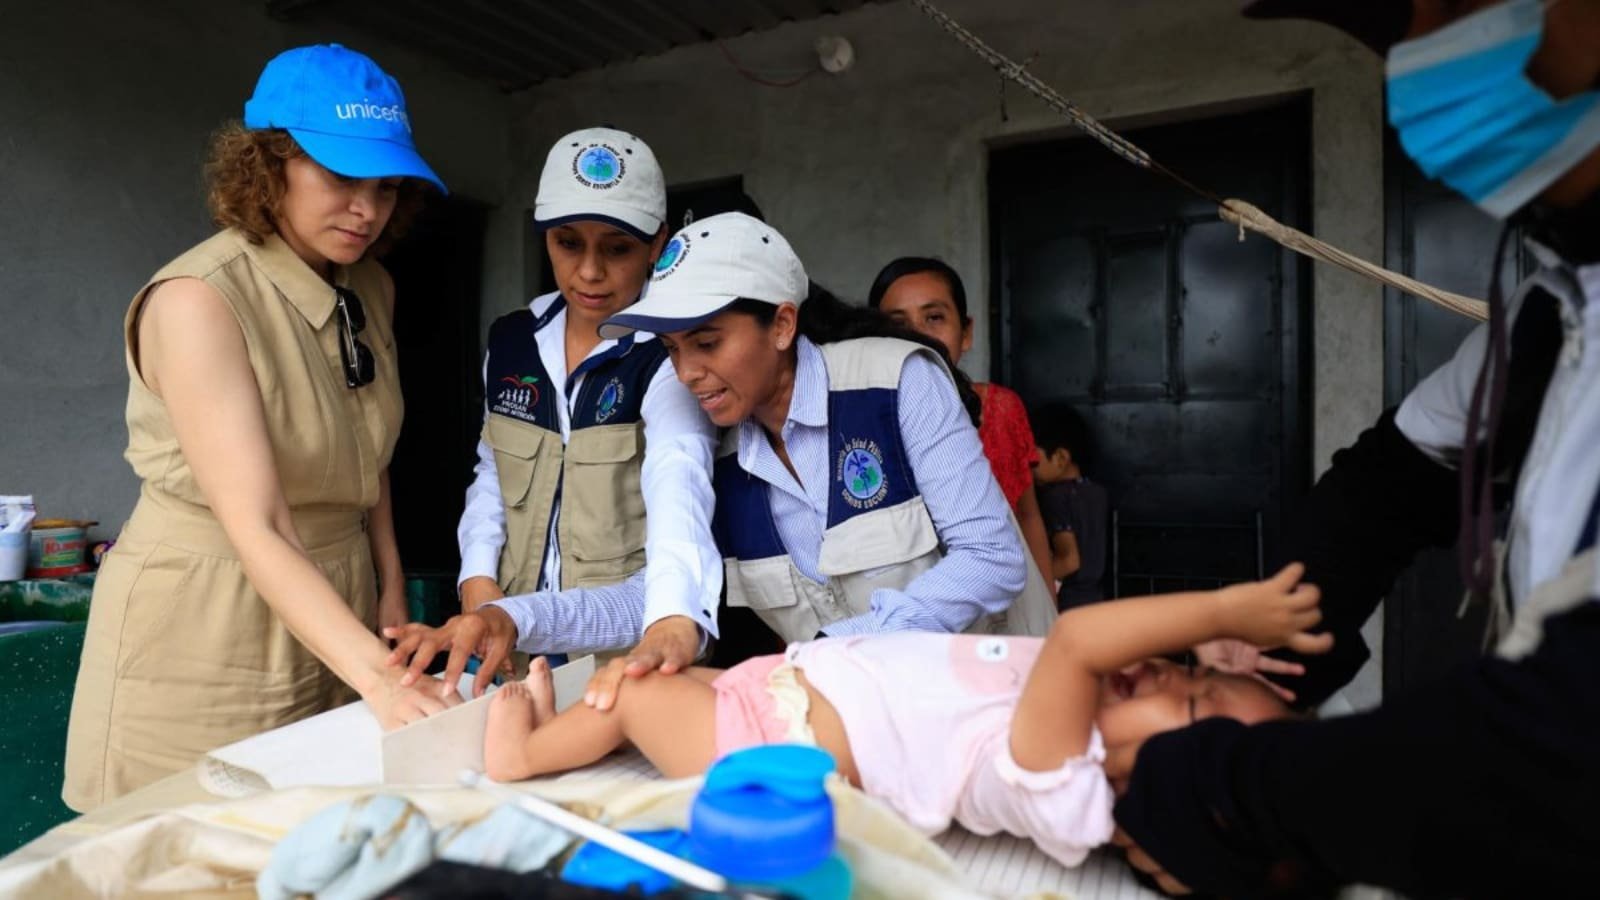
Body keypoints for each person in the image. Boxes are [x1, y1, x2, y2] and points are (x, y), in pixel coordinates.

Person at [1112, 1, 1600, 896]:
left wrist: (1228, 787)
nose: (1417, 45)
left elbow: (1570, 744)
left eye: (1451, 7)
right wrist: (1274, 646)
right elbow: (1385, 489)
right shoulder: (1547, 318)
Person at [63, 45, 457, 811]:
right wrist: (378, 680)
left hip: (335, 599)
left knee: (312, 843)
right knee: (190, 844)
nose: (367, 210)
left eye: (384, 186)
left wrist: (389, 586)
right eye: (341, 178)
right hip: (209, 614)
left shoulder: (370, 287)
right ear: (267, 164)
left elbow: (365, 451)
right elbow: (260, 520)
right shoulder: (198, 300)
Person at [481, 564, 1326, 869]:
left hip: (782, 750)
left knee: (635, 693)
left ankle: (523, 754)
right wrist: (1211, 664)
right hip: (787, 687)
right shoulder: (1100, 714)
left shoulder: (1055, 778)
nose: (1166, 668)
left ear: (1169, 785)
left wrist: (1222, 610)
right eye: (1189, 668)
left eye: (1189, 697)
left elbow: (1077, 638)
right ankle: (571, 727)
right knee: (674, 672)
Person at [383, 128, 721, 699]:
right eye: (569, 243)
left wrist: (672, 616)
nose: (589, 272)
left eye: (616, 248)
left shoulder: (668, 356)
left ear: (658, 244)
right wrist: (477, 575)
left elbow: (679, 485)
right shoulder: (513, 340)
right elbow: (492, 470)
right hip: (506, 636)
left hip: (618, 647)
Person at [868, 257, 1055, 587]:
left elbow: (1026, 516)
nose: (916, 335)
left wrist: (1048, 613)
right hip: (906, 615)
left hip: (1005, 605)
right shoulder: (862, 421)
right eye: (897, 324)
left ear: (966, 332)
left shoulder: (1000, 409)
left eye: (934, 317)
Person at [1031, 404, 1109, 609]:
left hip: (1068, 603)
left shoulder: (1055, 498)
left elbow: (1069, 560)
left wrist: (1031, 588)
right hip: (1095, 600)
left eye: (1032, 460)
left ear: (1060, 458)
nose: (1027, 467)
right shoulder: (1097, 493)